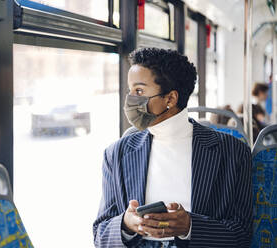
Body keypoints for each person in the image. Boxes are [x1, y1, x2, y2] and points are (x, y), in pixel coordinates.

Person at [93, 48, 252, 248]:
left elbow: (242, 234)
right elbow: (100, 234)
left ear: (170, 99)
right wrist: (126, 225)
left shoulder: (233, 152)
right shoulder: (117, 154)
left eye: (139, 91)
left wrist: (190, 227)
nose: (130, 100)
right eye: (130, 91)